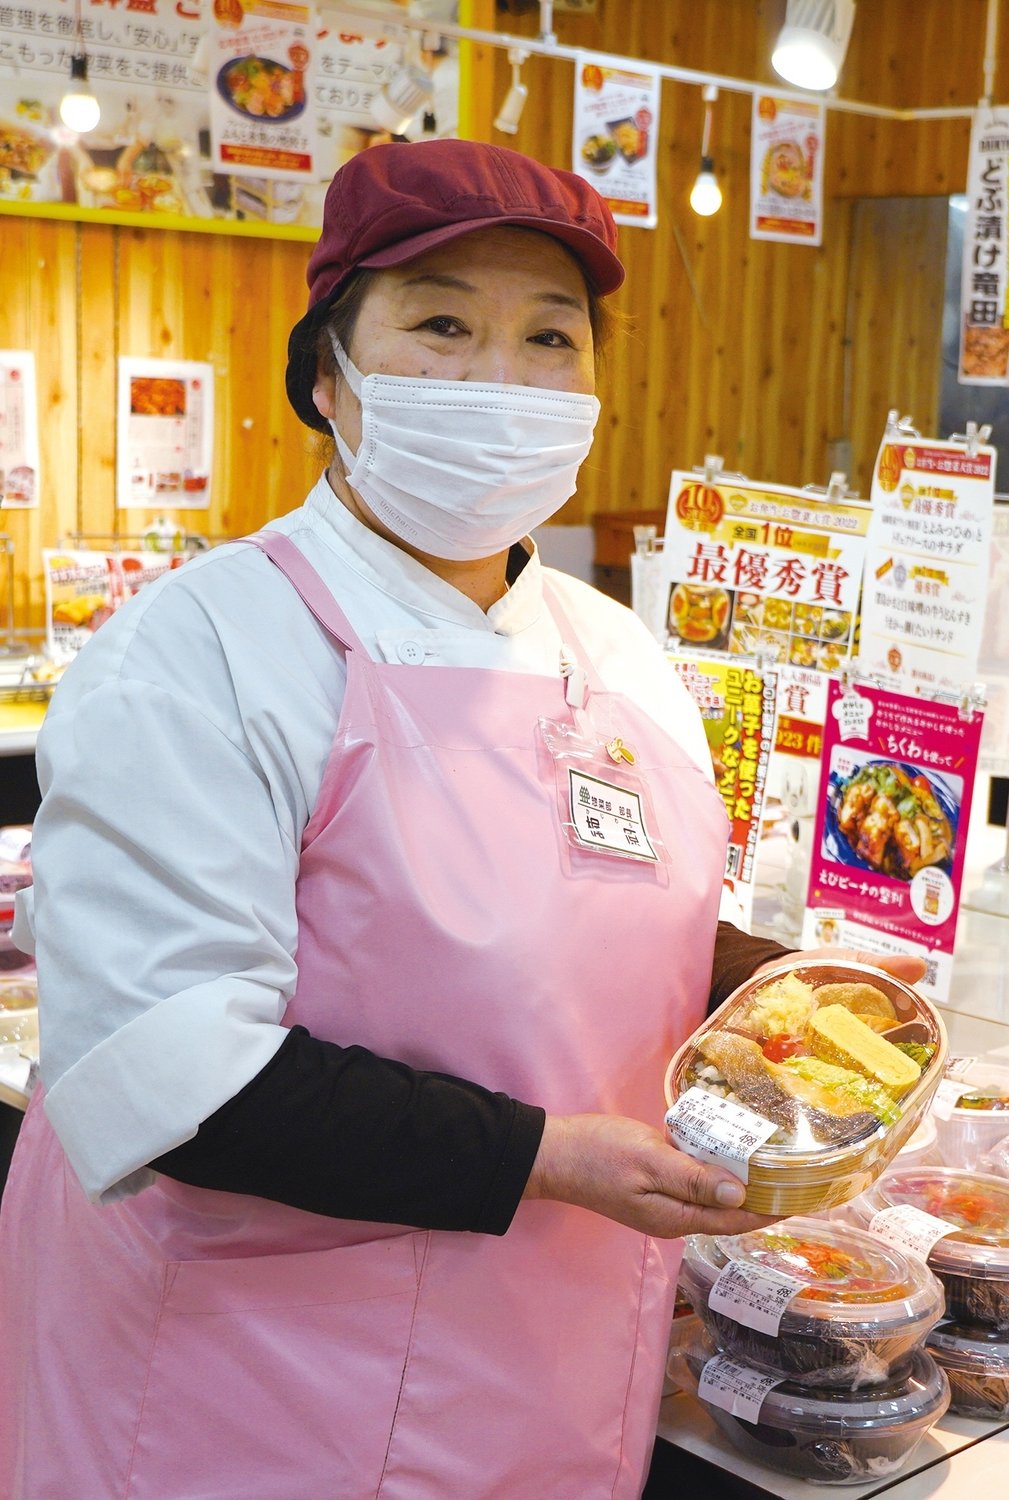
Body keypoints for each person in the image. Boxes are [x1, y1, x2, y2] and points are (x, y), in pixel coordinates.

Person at [0, 139, 923, 1499]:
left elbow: (611, 919)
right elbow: (177, 1082)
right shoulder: (203, 651)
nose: (504, 380)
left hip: (550, 1370)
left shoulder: (619, 655)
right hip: (251, 1396)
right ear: (328, 377)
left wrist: (798, 1001)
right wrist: (548, 1158)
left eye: (552, 336)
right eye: (442, 325)